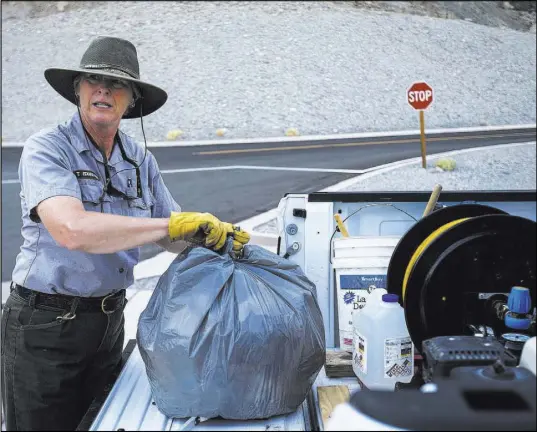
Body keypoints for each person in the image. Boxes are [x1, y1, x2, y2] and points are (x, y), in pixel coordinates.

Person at [0, 36, 250, 431]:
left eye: (116, 84)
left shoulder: (139, 158)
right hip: (44, 326)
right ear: (77, 90)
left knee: (100, 422)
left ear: (131, 100)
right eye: (93, 80)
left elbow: (171, 236)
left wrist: (214, 238)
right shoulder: (47, 148)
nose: (103, 89)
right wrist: (170, 225)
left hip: (109, 322)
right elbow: (73, 230)